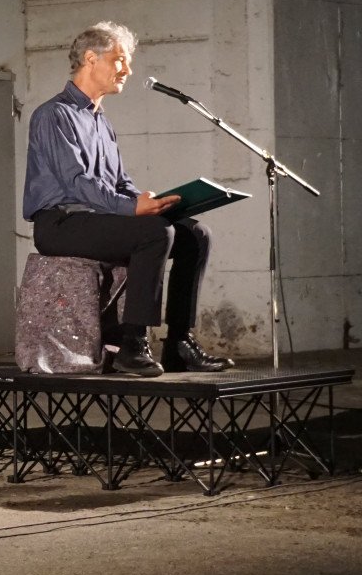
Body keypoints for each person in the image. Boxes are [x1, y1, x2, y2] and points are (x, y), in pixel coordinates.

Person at [22, 21, 232, 376]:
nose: (128, 70)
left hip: (97, 219)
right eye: (120, 60)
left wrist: (152, 201)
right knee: (154, 233)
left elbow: (118, 182)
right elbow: (77, 182)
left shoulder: (102, 122)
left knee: (196, 235)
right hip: (60, 223)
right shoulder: (54, 115)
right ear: (91, 59)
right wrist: (133, 209)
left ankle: (180, 341)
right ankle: (132, 344)